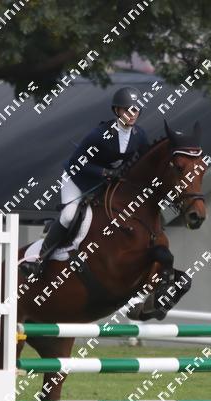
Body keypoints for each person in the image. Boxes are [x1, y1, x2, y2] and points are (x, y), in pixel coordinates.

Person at [31, 86, 150, 272]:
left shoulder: (140, 136)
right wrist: (105, 172)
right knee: (69, 214)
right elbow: (76, 162)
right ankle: (40, 259)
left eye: (135, 110)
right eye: (127, 110)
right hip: (77, 177)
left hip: (104, 183)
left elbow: (144, 162)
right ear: (117, 111)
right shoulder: (100, 134)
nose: (132, 114)